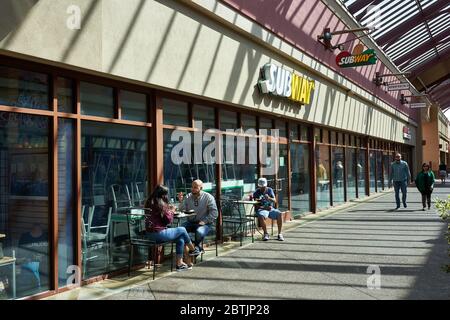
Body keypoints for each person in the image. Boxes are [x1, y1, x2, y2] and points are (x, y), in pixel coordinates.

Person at [144, 185, 200, 272]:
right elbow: (168, 220)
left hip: (149, 234)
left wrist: (168, 210)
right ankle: (193, 249)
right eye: (166, 194)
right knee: (182, 229)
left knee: (180, 237)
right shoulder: (160, 204)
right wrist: (172, 211)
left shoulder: (149, 202)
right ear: (163, 195)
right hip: (158, 234)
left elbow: (160, 218)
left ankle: (179, 264)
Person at [177, 180, 218, 256]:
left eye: (195, 187)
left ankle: (195, 248)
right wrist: (180, 201)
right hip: (190, 222)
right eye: (192, 187)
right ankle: (196, 247)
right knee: (180, 229)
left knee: (199, 232)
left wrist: (204, 221)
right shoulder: (188, 196)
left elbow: (214, 213)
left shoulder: (208, 197)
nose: (193, 189)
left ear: (201, 188)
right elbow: (182, 210)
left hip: (205, 224)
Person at [17, 223, 48, 293]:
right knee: (32, 266)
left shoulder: (46, 236)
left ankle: (36, 288)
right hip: (29, 261)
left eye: (39, 229)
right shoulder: (25, 237)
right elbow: (20, 252)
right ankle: (36, 289)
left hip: (44, 261)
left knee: (33, 267)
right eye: (35, 229)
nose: (38, 231)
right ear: (32, 229)